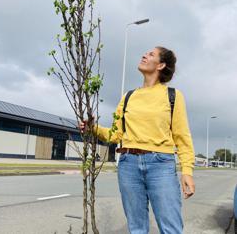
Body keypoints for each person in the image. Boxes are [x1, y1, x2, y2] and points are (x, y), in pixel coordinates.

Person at [79, 46, 195, 234]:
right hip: (128, 164)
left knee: (171, 227)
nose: (144, 55)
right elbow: (116, 135)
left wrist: (187, 171)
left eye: (151, 54)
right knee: (137, 228)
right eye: (145, 53)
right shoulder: (128, 97)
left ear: (161, 65)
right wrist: (92, 128)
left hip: (161, 164)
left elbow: (182, 137)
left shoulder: (172, 96)